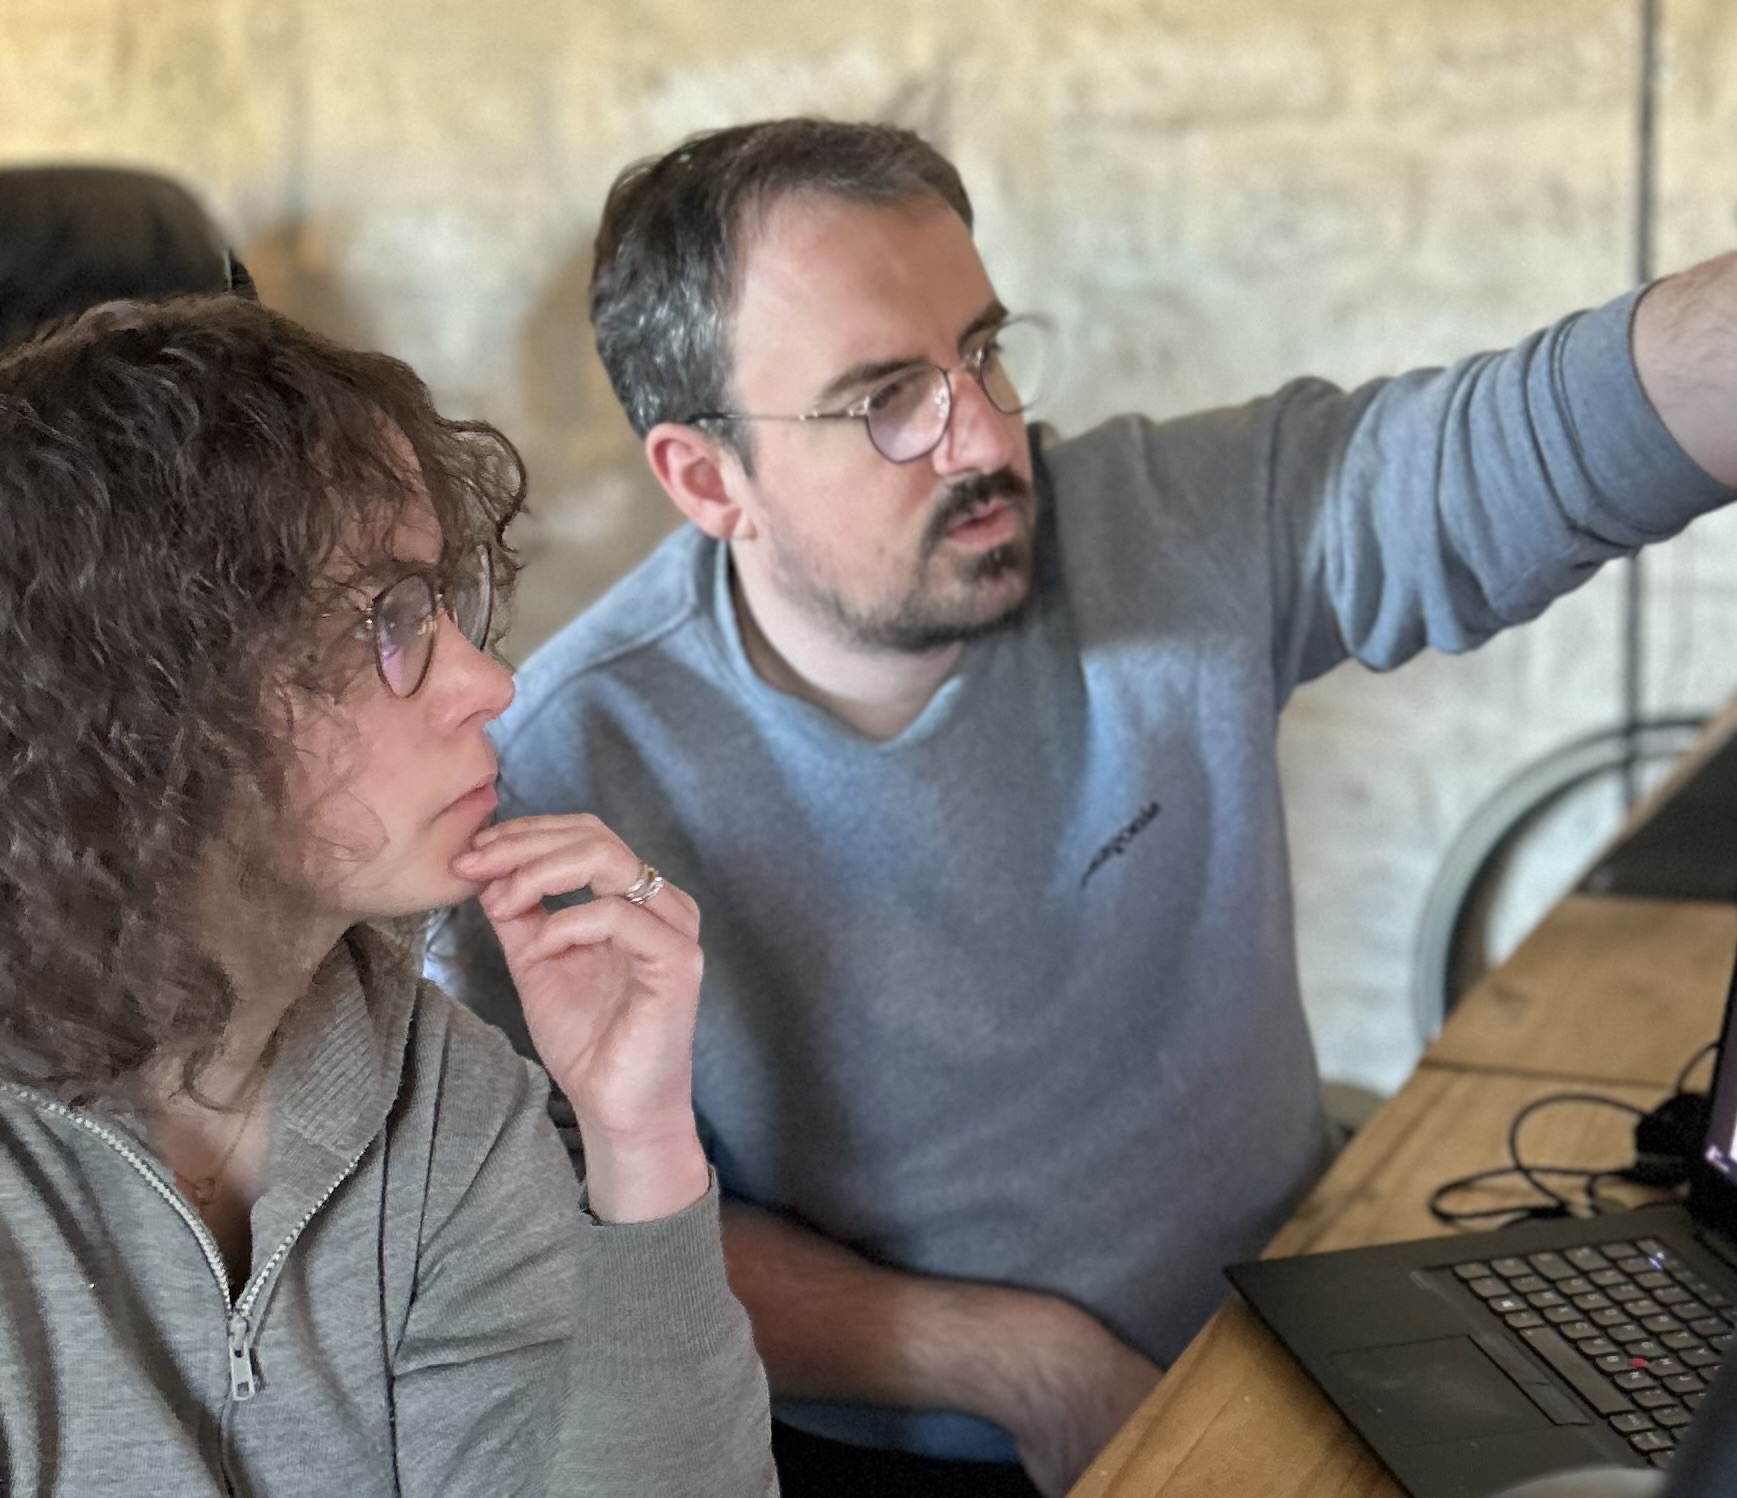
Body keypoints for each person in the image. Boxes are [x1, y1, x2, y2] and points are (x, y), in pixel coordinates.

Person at [436, 117, 1737, 1497]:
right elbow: (578, 1236)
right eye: (888, 400)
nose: (989, 437)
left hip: (1298, 1323)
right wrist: (1017, 1358)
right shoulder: (561, 774)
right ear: (707, 480)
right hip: (903, 1440)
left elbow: (1540, 436)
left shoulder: (1161, 515)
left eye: (982, 351)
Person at [0, 295, 777, 1498]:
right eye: (391, 622)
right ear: (153, 697)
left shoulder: (445, 1095)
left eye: (441, 607)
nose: (493, 685)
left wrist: (640, 1147)